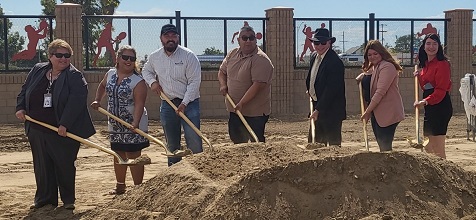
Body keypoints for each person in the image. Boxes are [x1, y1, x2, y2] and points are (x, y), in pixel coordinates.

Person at [15, 39, 95, 210]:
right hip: (36, 128)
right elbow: (24, 90)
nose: (64, 59)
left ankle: (68, 200)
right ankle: (45, 199)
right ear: (50, 56)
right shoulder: (38, 69)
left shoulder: (74, 76)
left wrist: (64, 124)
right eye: (59, 55)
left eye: (67, 56)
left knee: (64, 164)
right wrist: (20, 107)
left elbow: (76, 102)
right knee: (42, 165)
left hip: (62, 131)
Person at [90, 45, 149, 195]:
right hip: (115, 123)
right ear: (118, 58)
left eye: (132, 58)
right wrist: (98, 100)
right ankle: (120, 186)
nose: (128, 61)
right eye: (125, 57)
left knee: (134, 155)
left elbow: (139, 104)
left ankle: (137, 189)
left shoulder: (138, 81)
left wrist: (135, 123)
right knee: (118, 153)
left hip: (133, 122)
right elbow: (102, 86)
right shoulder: (110, 74)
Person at [142, 24, 203, 166]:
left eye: (173, 36)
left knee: (193, 139)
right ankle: (174, 172)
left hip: (189, 104)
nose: (170, 39)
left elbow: (194, 82)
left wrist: (184, 103)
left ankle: (200, 169)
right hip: (167, 104)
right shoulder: (155, 57)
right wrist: (152, 83)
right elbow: (146, 70)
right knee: (172, 143)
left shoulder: (189, 56)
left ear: (178, 38)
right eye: (167, 36)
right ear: (161, 38)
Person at [218, 25, 274, 144]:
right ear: (238, 40)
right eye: (244, 38)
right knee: (237, 140)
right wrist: (223, 85)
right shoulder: (232, 54)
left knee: (256, 142)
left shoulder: (261, 59)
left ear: (255, 40)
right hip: (235, 110)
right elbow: (222, 72)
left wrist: (242, 103)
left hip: (255, 113)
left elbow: (258, 85)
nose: (248, 41)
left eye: (251, 38)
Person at [356, 40, 405, 152]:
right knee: (382, 145)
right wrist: (363, 76)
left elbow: (380, 92)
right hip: (376, 112)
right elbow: (370, 79)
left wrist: (367, 111)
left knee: (385, 147)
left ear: (381, 53)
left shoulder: (387, 66)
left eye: (375, 54)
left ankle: (391, 168)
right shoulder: (374, 68)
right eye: (369, 55)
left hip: (388, 112)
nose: (372, 57)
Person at [414, 33, 452, 159]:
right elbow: (426, 87)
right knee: (428, 146)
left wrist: (425, 101)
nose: (431, 47)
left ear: (439, 46)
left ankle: (444, 175)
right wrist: (418, 76)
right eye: (428, 43)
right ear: (424, 46)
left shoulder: (442, 64)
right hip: (430, 106)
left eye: (435, 44)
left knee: (437, 147)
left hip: (440, 105)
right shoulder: (425, 65)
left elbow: (440, 90)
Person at [306, 28, 346, 146]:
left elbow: (332, 89)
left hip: (331, 111)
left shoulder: (335, 62)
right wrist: (310, 89)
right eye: (316, 43)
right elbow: (313, 77)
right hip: (316, 105)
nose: (320, 46)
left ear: (329, 43)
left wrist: (319, 110)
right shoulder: (314, 56)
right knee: (315, 142)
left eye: (323, 43)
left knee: (332, 144)